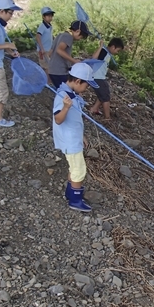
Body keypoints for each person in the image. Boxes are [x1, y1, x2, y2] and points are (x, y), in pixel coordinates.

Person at [52, 63, 100, 212]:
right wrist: (66, 107)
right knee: (79, 169)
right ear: (78, 81)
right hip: (69, 139)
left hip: (74, 137)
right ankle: (75, 200)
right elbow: (58, 119)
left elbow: (75, 120)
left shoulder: (73, 95)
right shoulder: (63, 96)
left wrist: (82, 136)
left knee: (74, 167)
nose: (86, 89)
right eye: (86, 85)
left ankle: (70, 192)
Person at [48, 20, 91, 89]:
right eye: (82, 36)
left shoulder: (60, 35)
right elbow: (59, 50)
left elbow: (50, 53)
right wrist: (73, 61)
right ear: (78, 31)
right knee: (68, 92)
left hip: (52, 70)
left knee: (62, 91)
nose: (80, 39)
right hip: (60, 71)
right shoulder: (68, 37)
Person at [89, 37, 124, 120]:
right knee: (106, 97)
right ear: (113, 47)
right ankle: (107, 117)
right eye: (117, 50)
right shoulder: (103, 51)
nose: (117, 52)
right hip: (97, 77)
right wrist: (100, 46)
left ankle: (94, 109)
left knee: (104, 93)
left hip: (100, 77)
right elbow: (93, 58)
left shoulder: (107, 53)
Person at [35, 6, 55, 84]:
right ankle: (47, 82)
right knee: (46, 67)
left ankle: (46, 81)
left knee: (48, 65)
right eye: (48, 16)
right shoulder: (42, 26)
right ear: (43, 17)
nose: (50, 18)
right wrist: (42, 48)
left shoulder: (49, 26)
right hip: (43, 50)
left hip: (48, 49)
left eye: (51, 16)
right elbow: (38, 36)